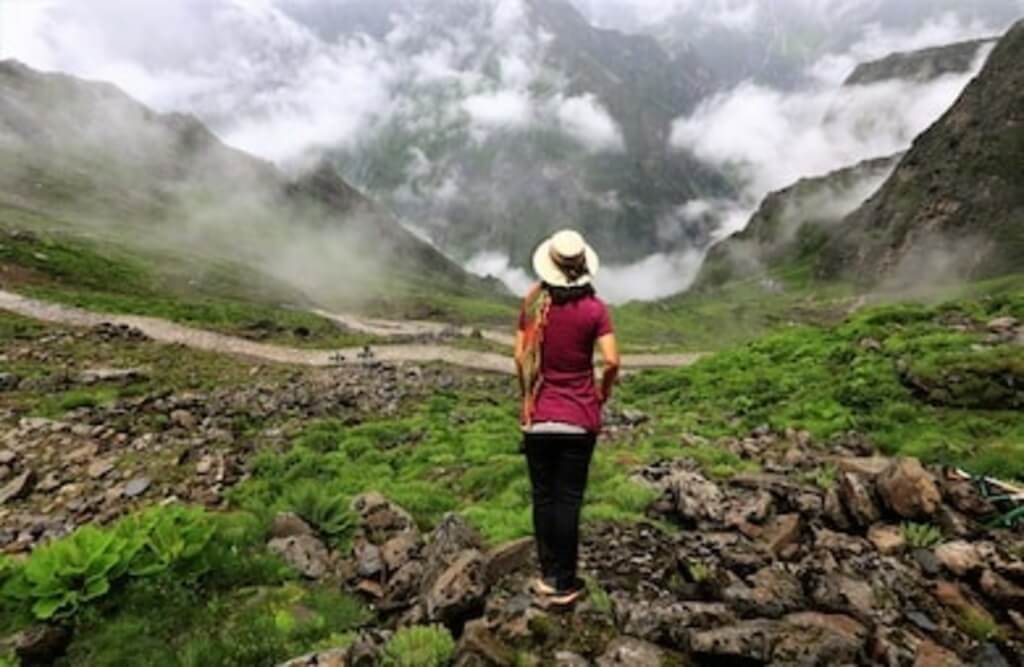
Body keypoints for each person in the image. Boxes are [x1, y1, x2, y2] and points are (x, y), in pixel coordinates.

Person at [514, 229, 621, 606]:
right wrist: (602, 392)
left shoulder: (532, 304)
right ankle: (564, 582)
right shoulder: (595, 309)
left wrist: (528, 395)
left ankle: (548, 576)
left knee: (543, 498)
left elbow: (520, 357)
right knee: (568, 500)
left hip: (538, 417)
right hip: (579, 418)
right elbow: (612, 360)